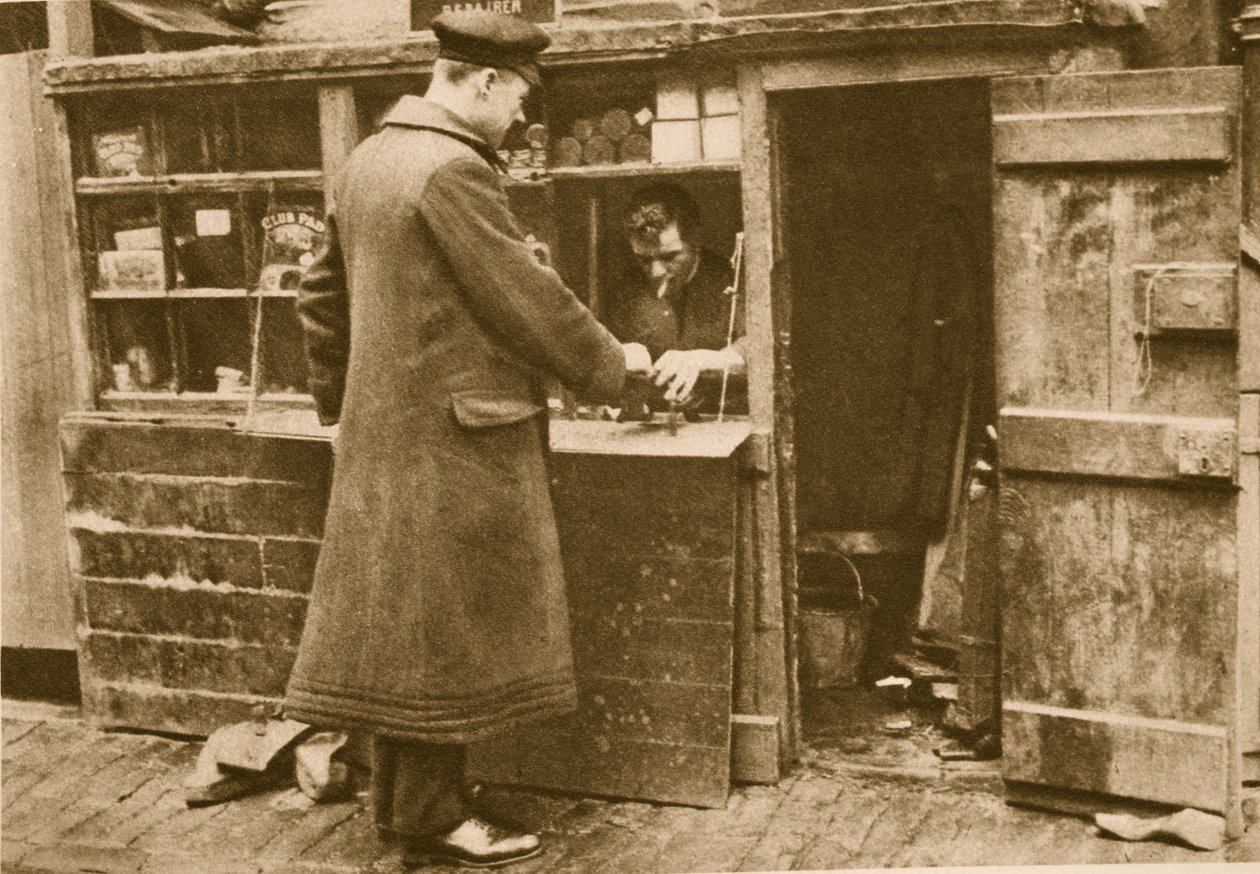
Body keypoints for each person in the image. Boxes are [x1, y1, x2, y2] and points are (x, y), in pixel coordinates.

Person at [283, 11, 652, 869]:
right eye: (519, 97)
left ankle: (414, 806)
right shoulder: (452, 169)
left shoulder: (368, 161)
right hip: (455, 444)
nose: (522, 117)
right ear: (484, 82)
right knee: (446, 639)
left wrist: (345, 413)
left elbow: (317, 300)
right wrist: (616, 365)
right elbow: (525, 297)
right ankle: (431, 821)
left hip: (388, 445)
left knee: (416, 636)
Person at [609, 183, 746, 415]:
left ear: (697, 242)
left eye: (670, 257)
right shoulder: (626, 290)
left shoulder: (734, 279)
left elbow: (761, 347)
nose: (656, 272)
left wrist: (705, 360)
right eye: (643, 260)